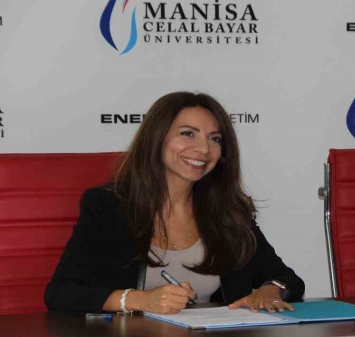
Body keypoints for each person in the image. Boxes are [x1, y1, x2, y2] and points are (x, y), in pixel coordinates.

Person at [45, 92, 304, 314]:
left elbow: (287, 279)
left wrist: (272, 290)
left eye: (215, 139)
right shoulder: (108, 206)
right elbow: (61, 293)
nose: (204, 149)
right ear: (157, 138)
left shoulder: (228, 210)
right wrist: (140, 300)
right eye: (187, 134)